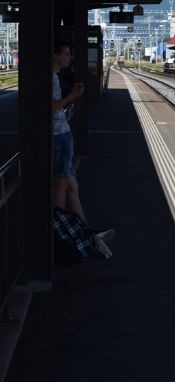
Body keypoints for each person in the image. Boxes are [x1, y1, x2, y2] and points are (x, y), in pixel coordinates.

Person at [52, 41, 114, 258]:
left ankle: (86, 234)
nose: (70, 58)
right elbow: (49, 107)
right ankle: (62, 237)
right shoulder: (50, 77)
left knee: (71, 184)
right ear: (56, 55)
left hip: (61, 134)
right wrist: (72, 98)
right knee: (63, 184)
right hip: (57, 137)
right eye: (67, 54)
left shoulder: (55, 77)